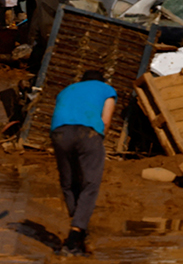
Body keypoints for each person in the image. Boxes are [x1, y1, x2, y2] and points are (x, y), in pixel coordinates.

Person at [50, 69, 117, 255]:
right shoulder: (107, 90)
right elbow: (106, 120)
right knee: (90, 183)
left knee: (68, 182)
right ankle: (75, 234)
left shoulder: (67, 89)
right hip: (87, 132)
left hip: (59, 132)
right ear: (102, 81)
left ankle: (78, 228)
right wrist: (97, 141)